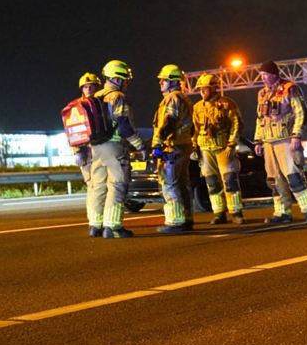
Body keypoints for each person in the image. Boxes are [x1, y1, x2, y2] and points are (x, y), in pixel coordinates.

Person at [87, 60, 148, 238]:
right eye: (124, 79)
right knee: (118, 185)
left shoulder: (94, 97)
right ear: (116, 79)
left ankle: (95, 225)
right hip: (114, 148)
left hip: (96, 149)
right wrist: (140, 145)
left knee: (98, 187)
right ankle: (113, 227)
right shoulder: (117, 97)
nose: (126, 83)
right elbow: (124, 126)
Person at [253, 60, 307, 223]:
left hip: (286, 140)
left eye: (266, 76)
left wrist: (296, 135)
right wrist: (258, 141)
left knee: (293, 176)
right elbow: (260, 119)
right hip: (269, 143)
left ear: (275, 75)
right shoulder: (262, 94)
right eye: (262, 76)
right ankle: (282, 212)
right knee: (274, 180)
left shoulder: (290, 89)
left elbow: (301, 113)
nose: (264, 79)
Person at [192, 73, 246, 225]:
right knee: (212, 182)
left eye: (204, 89)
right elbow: (195, 130)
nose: (201, 92)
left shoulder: (227, 103)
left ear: (213, 88)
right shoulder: (197, 108)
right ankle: (219, 213)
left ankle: (236, 212)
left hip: (223, 148)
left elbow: (237, 124)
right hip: (205, 150)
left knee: (230, 180)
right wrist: (194, 148)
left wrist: (231, 143)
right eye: (200, 89)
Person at [152, 65, 195, 234]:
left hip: (173, 147)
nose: (161, 82)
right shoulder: (185, 99)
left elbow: (169, 121)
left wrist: (157, 142)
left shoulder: (172, 98)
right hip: (183, 146)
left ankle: (176, 221)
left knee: (170, 183)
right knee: (183, 183)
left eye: (164, 80)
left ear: (174, 82)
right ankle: (186, 218)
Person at [72, 72, 102, 185]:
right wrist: (77, 152)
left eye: (91, 86)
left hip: (105, 150)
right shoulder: (77, 108)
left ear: (97, 87)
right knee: (93, 186)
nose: (88, 89)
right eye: (85, 87)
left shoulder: (104, 103)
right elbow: (74, 130)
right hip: (88, 153)